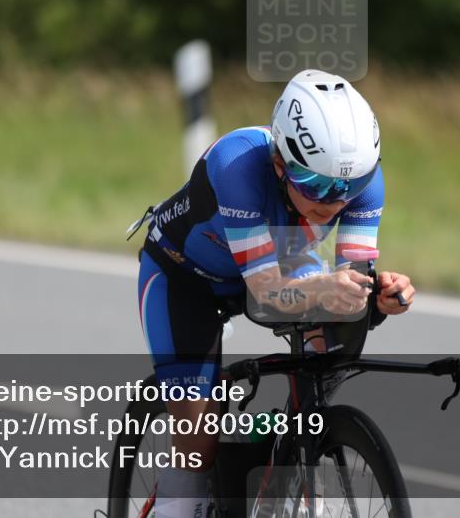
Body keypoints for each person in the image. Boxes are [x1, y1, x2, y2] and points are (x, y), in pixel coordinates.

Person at [129, 69, 416, 518]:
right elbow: (265, 295)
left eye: (351, 187)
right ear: (280, 164)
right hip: (186, 278)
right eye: (316, 185)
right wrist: (327, 286)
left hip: (278, 262)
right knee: (198, 430)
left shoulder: (362, 184)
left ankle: (297, 462)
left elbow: (349, 282)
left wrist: (375, 293)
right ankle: (175, 504)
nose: (333, 201)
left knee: (330, 344)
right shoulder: (237, 164)